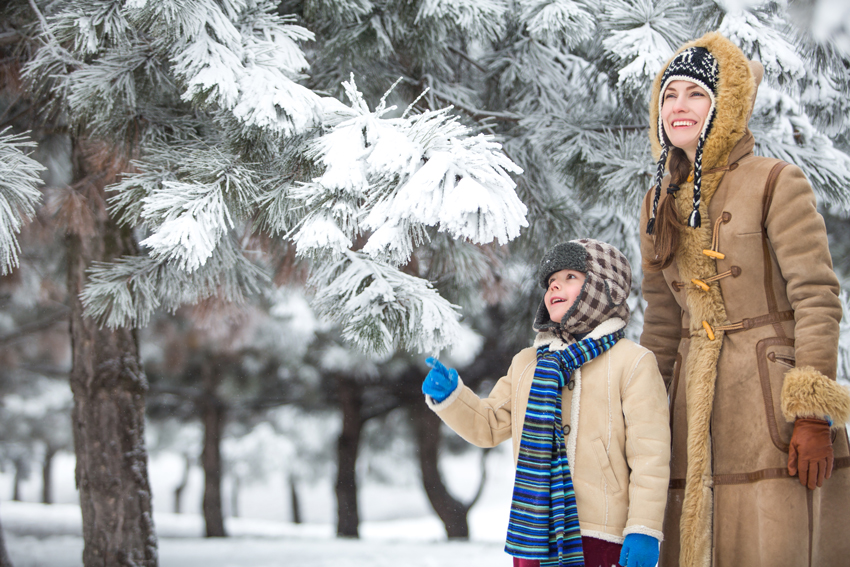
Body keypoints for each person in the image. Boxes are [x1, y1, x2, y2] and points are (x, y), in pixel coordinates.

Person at [639, 32, 850, 567]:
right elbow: (661, 322)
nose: (679, 106)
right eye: (670, 94)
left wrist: (812, 413)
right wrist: (642, 416)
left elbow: (817, 296)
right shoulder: (656, 201)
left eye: (696, 94)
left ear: (725, 105)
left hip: (770, 406)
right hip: (691, 409)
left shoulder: (777, 180)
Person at [422, 238, 670, 567]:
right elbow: (489, 426)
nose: (555, 286)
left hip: (602, 536)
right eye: (550, 281)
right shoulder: (527, 364)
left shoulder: (632, 362)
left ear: (603, 287)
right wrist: (451, 398)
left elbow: (650, 458)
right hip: (536, 534)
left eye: (570, 277)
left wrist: (644, 528)